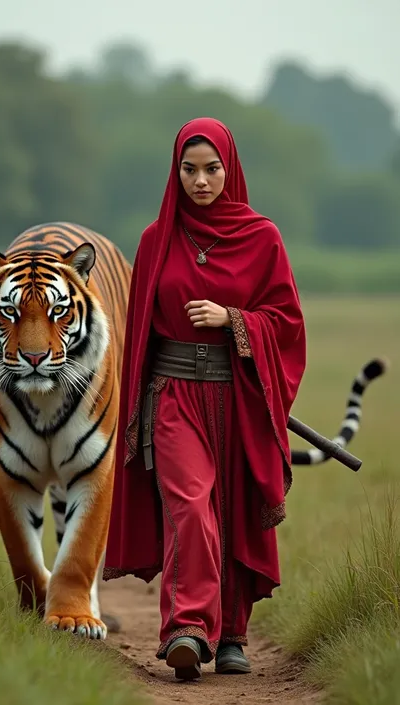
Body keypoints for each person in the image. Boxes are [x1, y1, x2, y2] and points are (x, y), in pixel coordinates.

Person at [102, 117, 306, 681]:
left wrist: (232, 319)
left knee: (234, 509)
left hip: (237, 393)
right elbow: (140, 330)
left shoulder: (262, 237)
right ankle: (188, 629)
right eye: (189, 169)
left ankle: (233, 634)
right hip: (173, 396)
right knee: (190, 505)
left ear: (229, 169)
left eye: (211, 169)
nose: (200, 180)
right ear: (176, 171)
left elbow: (286, 322)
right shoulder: (154, 239)